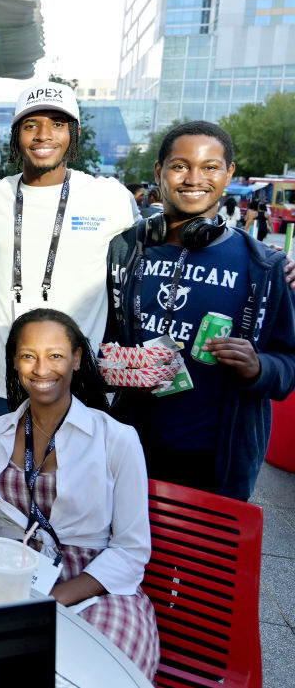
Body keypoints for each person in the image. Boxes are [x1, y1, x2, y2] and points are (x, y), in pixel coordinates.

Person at [0, 308, 158, 681]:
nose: (41, 368)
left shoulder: (116, 439)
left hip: (97, 587)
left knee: (90, 674)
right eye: (28, 356)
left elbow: (132, 551)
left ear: (76, 359)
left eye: (55, 355)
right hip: (12, 580)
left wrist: (53, 600)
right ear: (14, 363)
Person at [107, 121, 295, 500]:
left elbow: (288, 365)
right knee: (123, 557)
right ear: (159, 172)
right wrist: (110, 365)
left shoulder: (263, 267)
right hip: (128, 446)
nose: (194, 178)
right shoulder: (124, 250)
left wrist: (259, 367)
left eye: (210, 166)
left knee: (199, 558)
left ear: (228, 174)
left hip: (216, 460)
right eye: (180, 165)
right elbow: (105, 339)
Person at [0, 81, 138, 421]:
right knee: (4, 474)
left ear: (73, 134)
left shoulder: (110, 198)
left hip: (80, 381)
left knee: (77, 475)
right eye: (31, 125)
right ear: (16, 135)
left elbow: (162, 245)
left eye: (57, 124)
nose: (44, 135)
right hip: (0, 379)